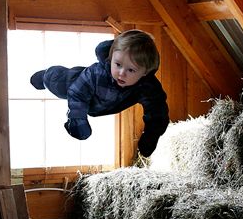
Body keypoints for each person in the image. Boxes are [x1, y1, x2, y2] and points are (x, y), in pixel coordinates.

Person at [30, 29, 169, 157]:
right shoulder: (96, 73)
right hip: (79, 85)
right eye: (118, 64)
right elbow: (77, 94)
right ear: (111, 57)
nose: (121, 73)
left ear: (145, 72)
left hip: (110, 102)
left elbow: (157, 111)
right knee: (57, 82)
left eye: (131, 70)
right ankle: (44, 78)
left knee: (154, 105)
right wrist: (78, 122)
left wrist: (151, 136)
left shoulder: (148, 86)